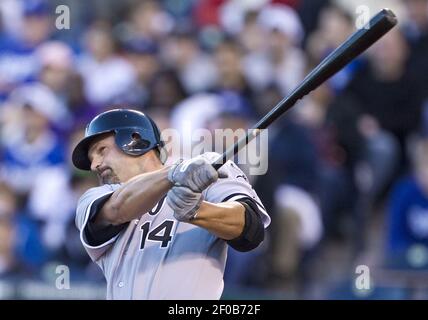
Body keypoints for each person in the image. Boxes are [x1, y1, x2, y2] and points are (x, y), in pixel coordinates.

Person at [72, 108, 270, 299]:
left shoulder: (206, 165)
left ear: (134, 139)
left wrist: (198, 211)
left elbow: (251, 230)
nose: (93, 165)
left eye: (101, 150)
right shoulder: (94, 198)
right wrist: (174, 173)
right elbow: (117, 210)